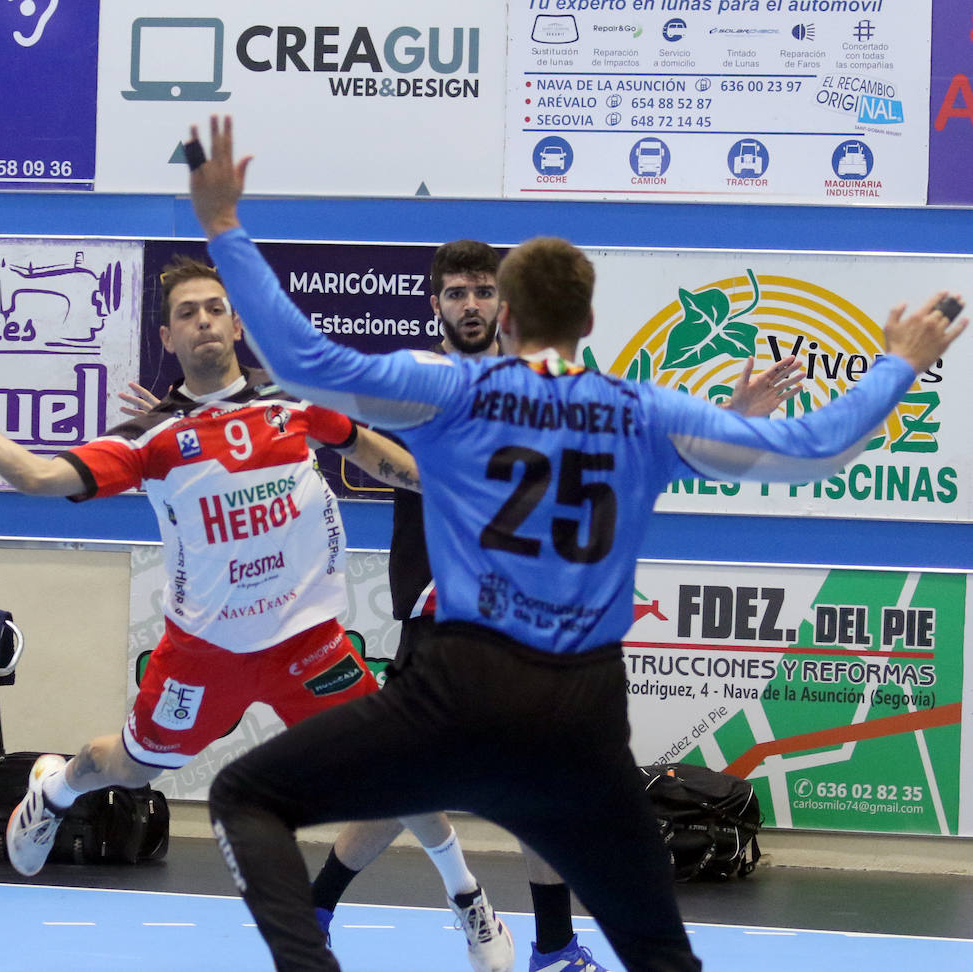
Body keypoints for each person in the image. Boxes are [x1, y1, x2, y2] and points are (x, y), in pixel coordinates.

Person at [184, 115, 966, 971]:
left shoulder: (452, 389)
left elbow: (299, 360)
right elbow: (816, 447)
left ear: (506, 316)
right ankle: (556, 946)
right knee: (664, 958)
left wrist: (224, 225)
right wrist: (897, 359)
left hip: (462, 689)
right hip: (581, 716)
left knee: (244, 795)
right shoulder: (642, 410)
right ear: (590, 317)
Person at [0, 255, 518, 971]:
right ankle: (54, 788)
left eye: (214, 308)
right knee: (132, 767)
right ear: (168, 337)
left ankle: (468, 903)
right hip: (204, 654)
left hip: (309, 643)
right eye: (187, 313)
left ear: (237, 323)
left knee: (405, 771)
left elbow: (381, 460)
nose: (203, 321)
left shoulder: (295, 405)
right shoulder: (151, 439)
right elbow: (39, 476)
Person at [307, 240, 802, 972]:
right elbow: (370, 454)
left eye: (482, 291)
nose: (470, 304)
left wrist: (732, 418)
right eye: (456, 293)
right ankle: (316, 911)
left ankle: (551, 946)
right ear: (434, 304)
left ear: (503, 307)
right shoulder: (422, 383)